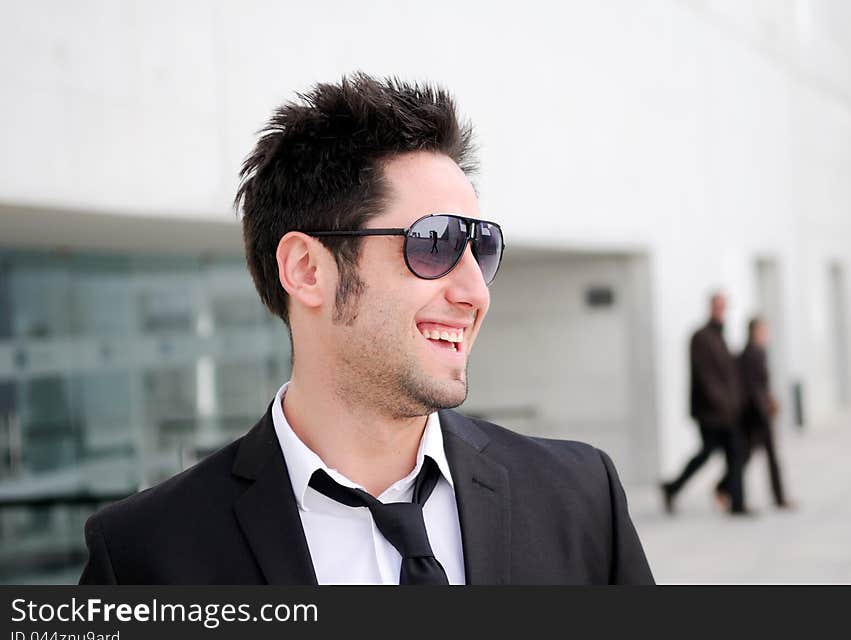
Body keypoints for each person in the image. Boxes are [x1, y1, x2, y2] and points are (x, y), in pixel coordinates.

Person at [79, 74, 653, 585]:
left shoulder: (580, 499)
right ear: (307, 270)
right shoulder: (145, 558)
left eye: (481, 248)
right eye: (436, 243)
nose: (475, 292)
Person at [661, 292, 750, 516]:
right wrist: (724, 404)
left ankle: (734, 502)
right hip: (711, 413)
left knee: (729, 453)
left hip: (725, 411)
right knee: (714, 453)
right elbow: (705, 377)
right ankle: (674, 487)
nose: (722, 311)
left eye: (724, 307)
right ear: (710, 307)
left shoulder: (721, 336)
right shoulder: (700, 337)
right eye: (718, 306)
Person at [724, 318, 794, 509]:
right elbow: (753, 388)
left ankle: (725, 487)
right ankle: (726, 489)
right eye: (763, 331)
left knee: (752, 455)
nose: (766, 335)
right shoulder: (751, 354)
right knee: (751, 456)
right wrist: (765, 408)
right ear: (755, 331)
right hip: (755, 415)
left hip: (758, 412)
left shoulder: (755, 352)